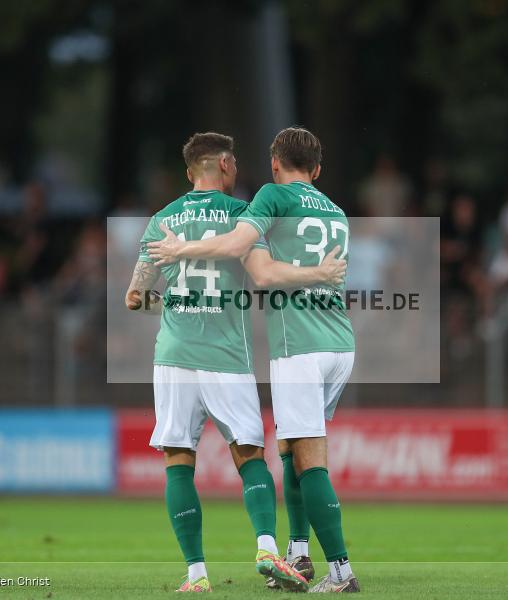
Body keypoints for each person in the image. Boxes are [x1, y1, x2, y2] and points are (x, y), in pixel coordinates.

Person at [127, 132, 345, 593]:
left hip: (174, 355)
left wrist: (177, 301)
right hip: (228, 356)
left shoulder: (161, 221)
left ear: (190, 173)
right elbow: (264, 274)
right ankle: (268, 547)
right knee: (250, 456)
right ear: (226, 166)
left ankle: (196, 574)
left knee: (178, 459)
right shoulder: (242, 215)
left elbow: (135, 298)